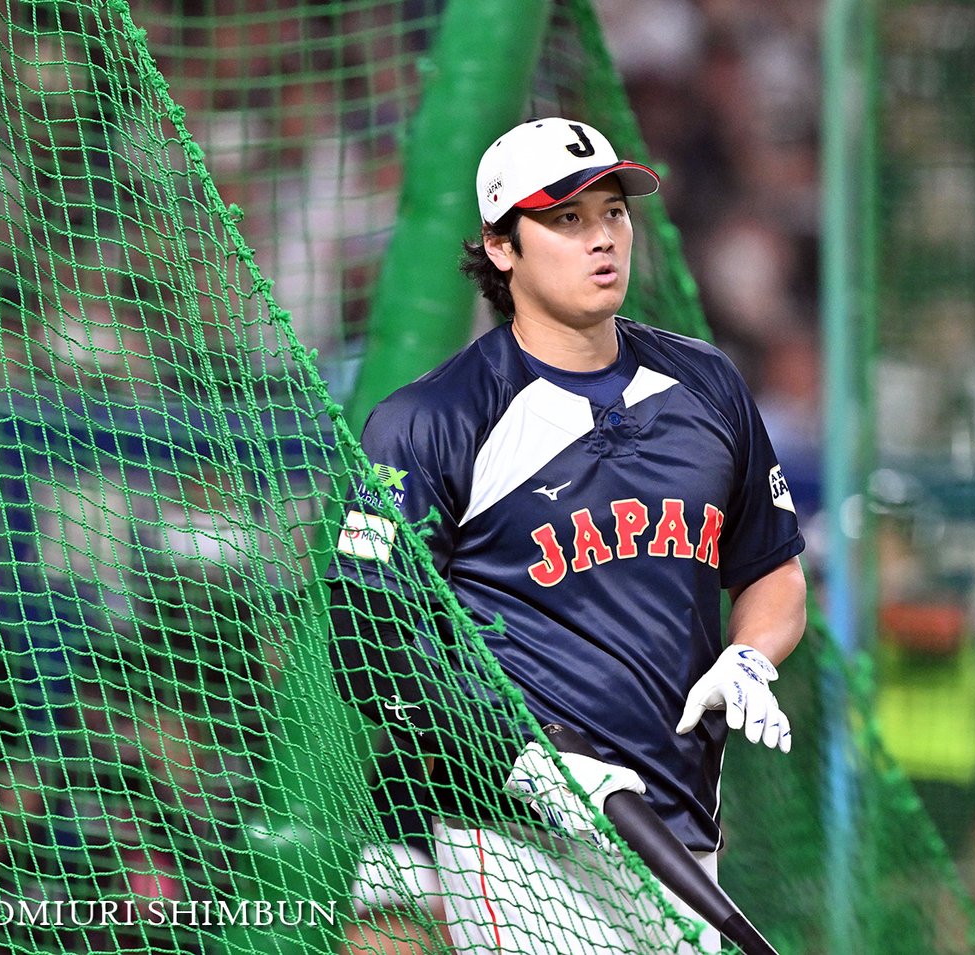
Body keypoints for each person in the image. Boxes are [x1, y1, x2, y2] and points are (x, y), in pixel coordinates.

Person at [327, 117, 807, 954]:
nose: (603, 238)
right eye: (567, 219)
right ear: (501, 246)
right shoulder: (433, 418)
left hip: (680, 831)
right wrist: (522, 752)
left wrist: (750, 656)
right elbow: (366, 640)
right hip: (516, 833)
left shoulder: (708, 383)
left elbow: (773, 572)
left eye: (613, 212)